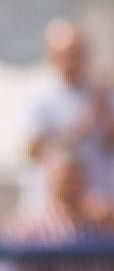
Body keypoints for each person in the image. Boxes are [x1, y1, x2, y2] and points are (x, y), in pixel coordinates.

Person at [24, 19, 114, 214]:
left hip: (98, 213)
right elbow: (33, 150)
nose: (71, 61)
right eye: (65, 55)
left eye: (76, 54)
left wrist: (105, 114)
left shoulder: (103, 94)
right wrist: (85, 123)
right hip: (51, 215)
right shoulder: (39, 97)